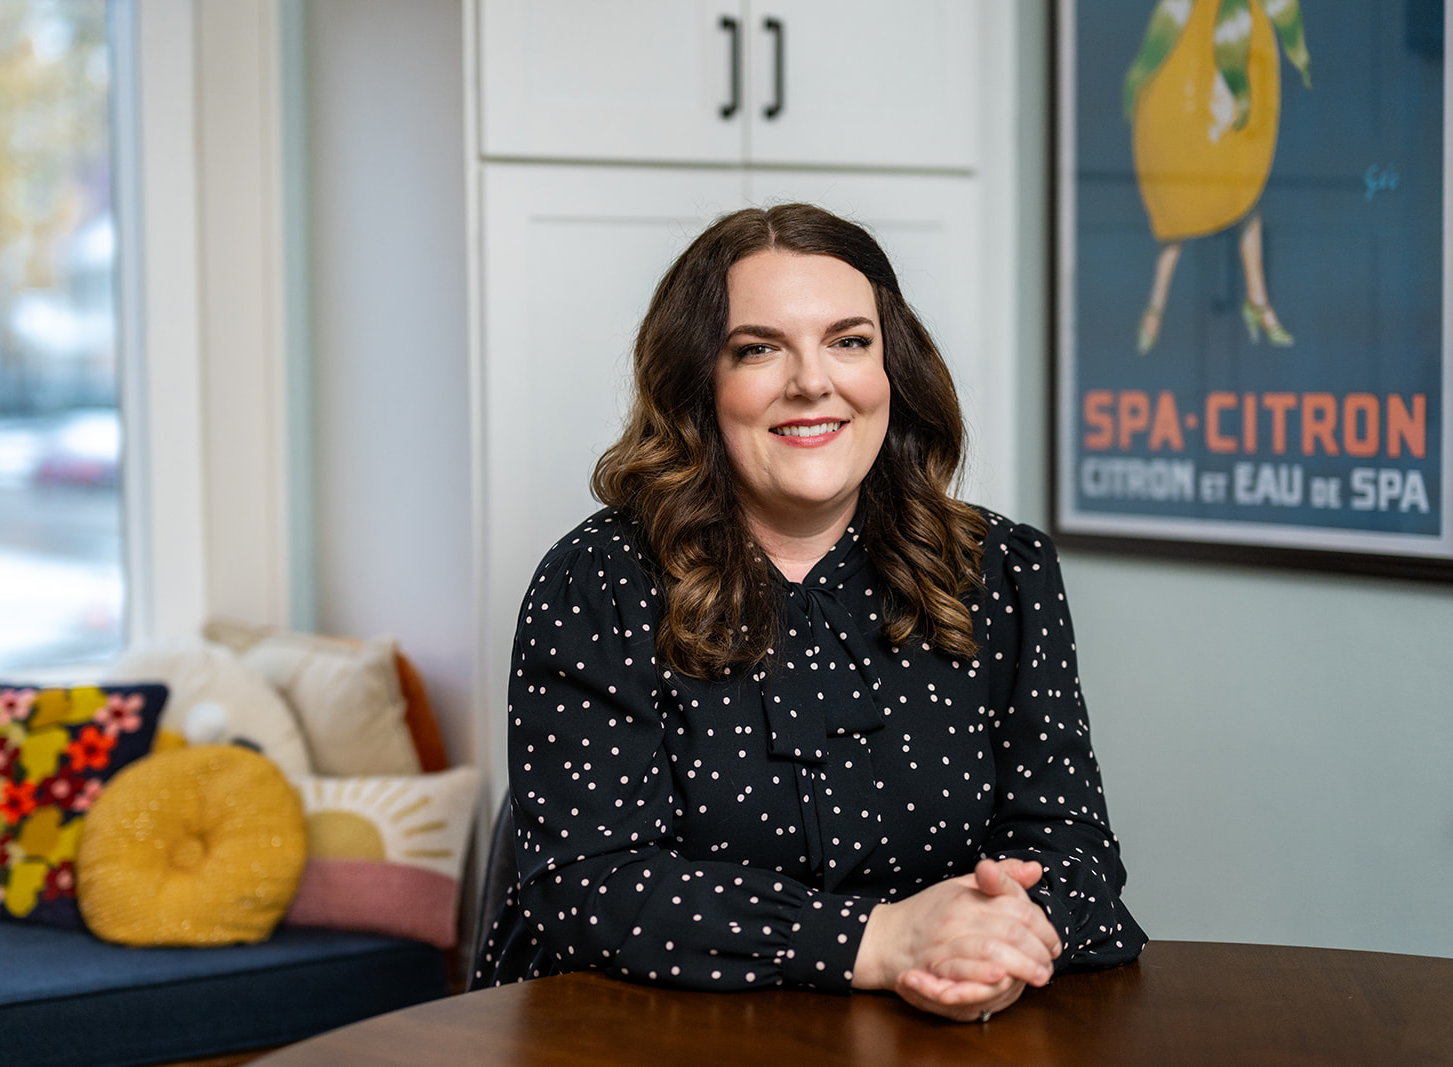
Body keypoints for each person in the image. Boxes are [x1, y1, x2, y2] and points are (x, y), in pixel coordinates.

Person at [471, 204, 1144, 1021]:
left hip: (931, 1025)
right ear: (699, 384)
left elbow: (1072, 844)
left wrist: (1005, 937)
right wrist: (880, 939)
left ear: (892, 366)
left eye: (849, 341)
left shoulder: (1003, 571)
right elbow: (588, 888)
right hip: (637, 1030)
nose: (812, 381)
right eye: (758, 349)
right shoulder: (596, 582)